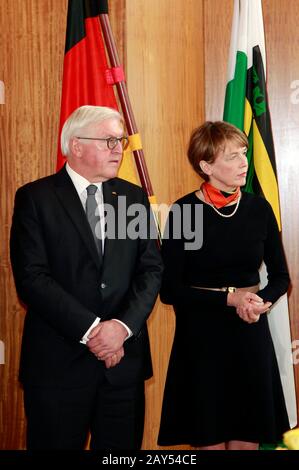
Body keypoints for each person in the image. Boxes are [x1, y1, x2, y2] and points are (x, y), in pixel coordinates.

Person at [10, 105, 163, 450]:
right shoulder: (36, 198)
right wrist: (94, 330)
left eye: (119, 141)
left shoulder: (132, 197)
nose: (118, 150)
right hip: (58, 367)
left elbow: (151, 269)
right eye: (108, 141)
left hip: (123, 368)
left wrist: (120, 328)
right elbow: (32, 278)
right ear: (76, 146)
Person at [158, 121, 290, 450]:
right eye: (232, 156)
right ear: (207, 166)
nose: (244, 162)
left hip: (250, 334)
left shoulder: (259, 209)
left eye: (244, 153)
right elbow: (170, 290)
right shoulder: (184, 211)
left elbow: (281, 278)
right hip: (202, 340)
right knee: (209, 438)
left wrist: (261, 302)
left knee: (249, 437)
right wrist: (230, 300)